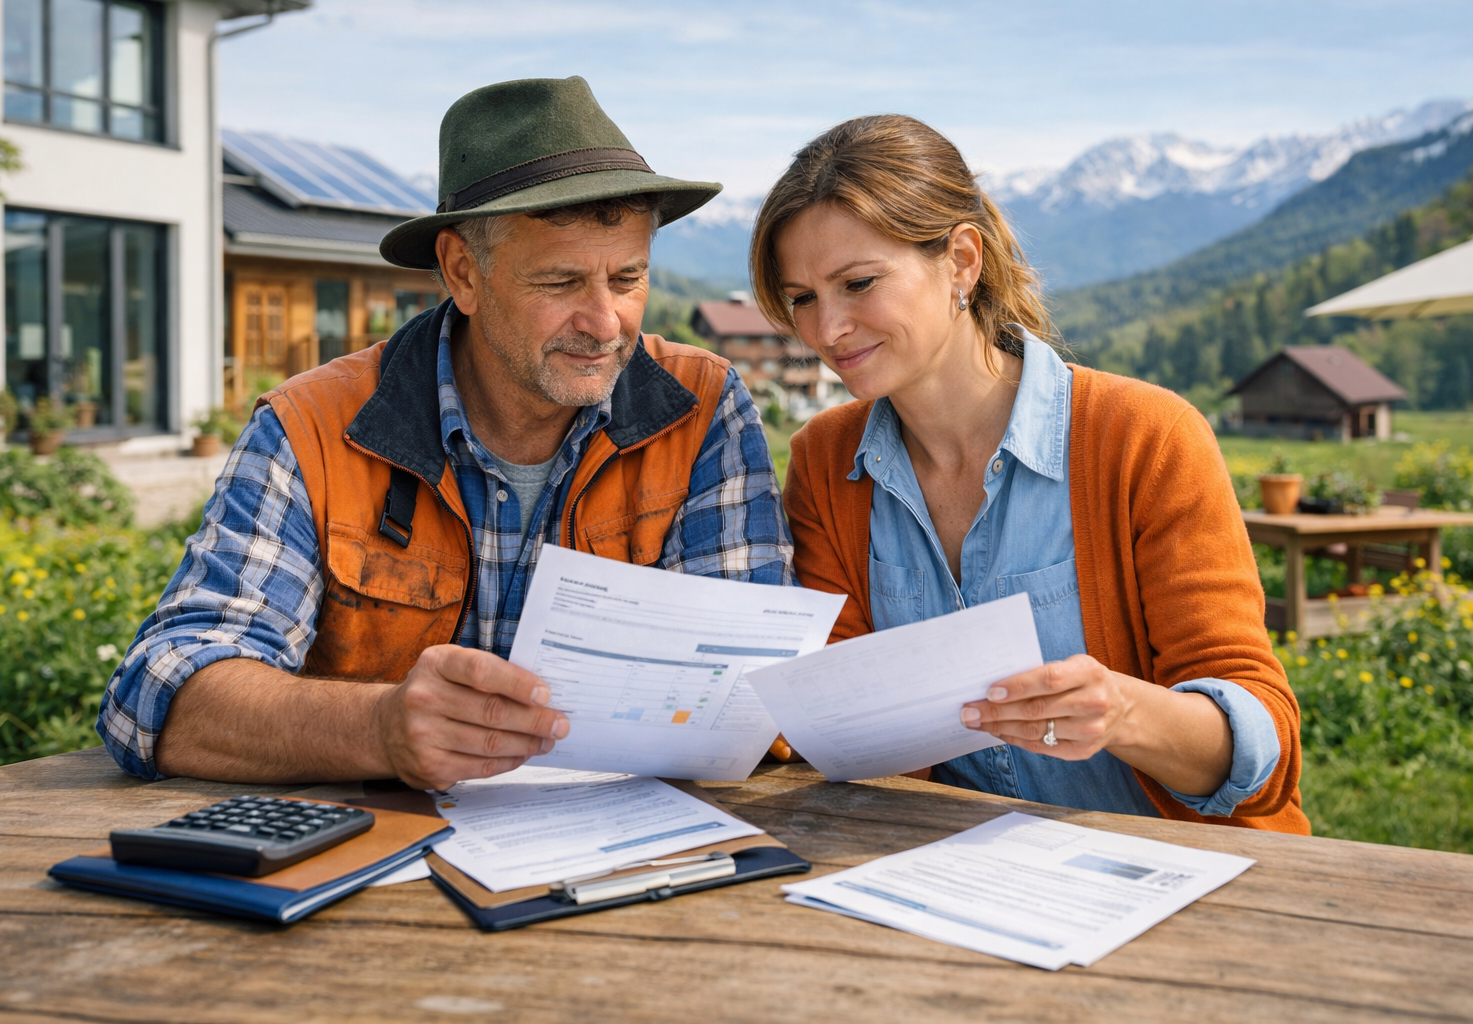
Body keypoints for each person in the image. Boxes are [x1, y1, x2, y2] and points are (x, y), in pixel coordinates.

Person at [97, 77, 793, 789]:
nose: (604, 321)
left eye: (627, 278)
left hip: (632, 838)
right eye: (559, 282)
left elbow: (751, 692)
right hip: (373, 846)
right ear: (463, 272)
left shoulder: (702, 408)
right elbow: (156, 698)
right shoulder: (312, 427)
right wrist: (377, 729)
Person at [758, 114, 1306, 832]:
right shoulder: (825, 460)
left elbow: (1262, 753)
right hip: (945, 862)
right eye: (802, 298)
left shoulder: (1146, 437)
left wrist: (1123, 712)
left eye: (858, 283)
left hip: (1182, 865)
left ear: (961, 261)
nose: (826, 330)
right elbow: (851, 735)